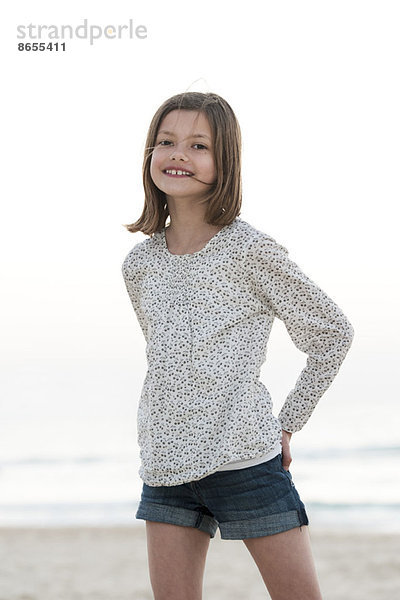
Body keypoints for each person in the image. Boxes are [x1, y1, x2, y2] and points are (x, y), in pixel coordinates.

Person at [121, 91, 354, 600]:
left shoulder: (249, 250)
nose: (179, 154)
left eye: (198, 145)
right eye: (167, 142)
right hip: (164, 465)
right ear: (150, 155)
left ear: (224, 162)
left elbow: (332, 332)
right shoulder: (139, 265)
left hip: (246, 460)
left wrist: (290, 420)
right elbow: (167, 360)